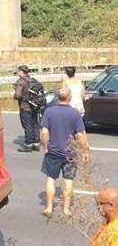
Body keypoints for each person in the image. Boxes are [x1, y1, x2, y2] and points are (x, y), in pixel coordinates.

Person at [39, 87, 89, 218]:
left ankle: (49, 208)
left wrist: (45, 146)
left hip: (53, 152)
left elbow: (44, 132)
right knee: (68, 180)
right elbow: (80, 135)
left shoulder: (49, 112)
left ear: (58, 97)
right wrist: (84, 151)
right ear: (69, 97)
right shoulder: (74, 113)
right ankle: (66, 209)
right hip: (70, 154)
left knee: (51, 179)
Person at [14, 65, 42, 152]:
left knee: (27, 125)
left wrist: (14, 94)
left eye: (18, 71)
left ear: (21, 72)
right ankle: (36, 143)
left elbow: (18, 95)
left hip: (25, 106)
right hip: (35, 105)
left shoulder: (21, 82)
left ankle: (28, 144)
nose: (17, 73)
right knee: (35, 124)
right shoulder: (33, 80)